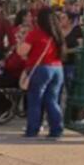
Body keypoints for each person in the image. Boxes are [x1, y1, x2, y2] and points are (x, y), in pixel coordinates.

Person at [17, 7, 65, 138]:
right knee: (52, 100)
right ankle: (56, 129)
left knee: (35, 100)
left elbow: (22, 51)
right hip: (57, 68)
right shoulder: (57, 34)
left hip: (41, 69)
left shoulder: (35, 34)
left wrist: (20, 40)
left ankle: (32, 130)